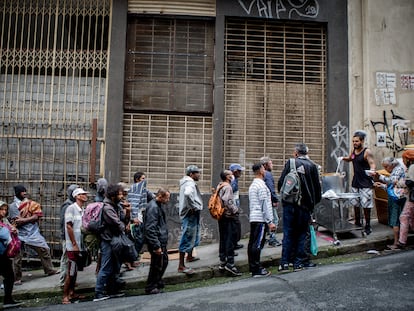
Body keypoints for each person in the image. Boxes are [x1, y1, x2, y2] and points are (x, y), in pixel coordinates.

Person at [277, 143, 321, 272]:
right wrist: (312, 205)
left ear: (296, 153)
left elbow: (281, 183)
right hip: (305, 206)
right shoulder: (312, 166)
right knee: (302, 234)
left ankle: (284, 263)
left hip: (289, 205)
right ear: (307, 153)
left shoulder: (290, 163)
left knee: (288, 233)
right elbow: (317, 189)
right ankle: (298, 263)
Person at [8, 185, 58, 283]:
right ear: (18, 193)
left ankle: (49, 270)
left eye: (25, 191)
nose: (25, 193)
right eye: (23, 192)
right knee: (17, 257)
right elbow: (10, 219)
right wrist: (14, 224)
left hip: (32, 232)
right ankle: (17, 278)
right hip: (18, 233)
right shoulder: (12, 206)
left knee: (44, 249)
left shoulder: (31, 204)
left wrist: (23, 220)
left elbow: (36, 217)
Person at [94, 184, 127, 302]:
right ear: (113, 196)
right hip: (107, 240)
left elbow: (123, 219)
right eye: (120, 194)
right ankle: (98, 293)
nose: (122, 195)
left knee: (115, 266)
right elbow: (118, 224)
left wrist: (126, 211)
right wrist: (124, 227)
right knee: (106, 266)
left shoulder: (116, 205)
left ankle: (111, 290)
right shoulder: (107, 208)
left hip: (115, 240)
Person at [339, 130, 376, 235]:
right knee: (355, 203)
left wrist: (372, 171)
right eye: (353, 141)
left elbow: (372, 164)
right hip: (356, 181)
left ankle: (368, 225)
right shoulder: (354, 150)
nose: (355, 143)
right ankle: (357, 222)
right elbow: (350, 158)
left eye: (357, 141)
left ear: (362, 141)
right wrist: (342, 158)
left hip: (365, 182)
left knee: (366, 205)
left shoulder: (367, 152)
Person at [247, 163, 275, 277]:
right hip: (260, 218)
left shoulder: (253, 185)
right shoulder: (262, 186)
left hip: (254, 217)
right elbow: (264, 204)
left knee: (252, 243)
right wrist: (270, 221)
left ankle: (253, 266)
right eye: (263, 169)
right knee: (258, 243)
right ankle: (256, 268)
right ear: (261, 171)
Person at [62, 188, 89, 304]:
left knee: (75, 271)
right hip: (73, 247)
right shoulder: (71, 208)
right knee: (71, 271)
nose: (85, 196)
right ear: (77, 196)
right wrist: (74, 244)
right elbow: (69, 226)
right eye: (82, 194)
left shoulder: (82, 209)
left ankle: (72, 293)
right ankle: (65, 296)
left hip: (80, 245)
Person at [374, 157, 406, 250]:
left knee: (395, 220)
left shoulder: (397, 169)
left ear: (391, 165)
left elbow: (392, 181)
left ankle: (396, 243)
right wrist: (382, 186)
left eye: (386, 167)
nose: (385, 169)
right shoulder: (399, 169)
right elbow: (393, 185)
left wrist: (380, 176)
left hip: (396, 198)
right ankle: (400, 241)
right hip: (399, 196)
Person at [144, 188, 171, 294]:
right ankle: (151, 286)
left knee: (163, 262)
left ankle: (157, 281)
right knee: (157, 264)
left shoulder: (157, 206)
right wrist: (156, 245)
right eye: (167, 198)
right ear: (160, 197)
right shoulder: (153, 207)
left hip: (159, 240)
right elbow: (150, 228)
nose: (168, 200)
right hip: (157, 241)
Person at [177, 165, 203, 274]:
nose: (199, 175)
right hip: (190, 214)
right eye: (197, 173)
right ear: (191, 174)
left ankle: (190, 256)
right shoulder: (189, 183)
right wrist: (192, 207)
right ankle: (181, 266)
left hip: (190, 213)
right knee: (187, 236)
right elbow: (188, 194)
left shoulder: (187, 182)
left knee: (192, 235)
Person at [217, 170, 242, 277]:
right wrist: (235, 210)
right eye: (230, 174)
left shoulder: (220, 185)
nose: (232, 176)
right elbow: (227, 200)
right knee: (230, 239)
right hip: (228, 216)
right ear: (227, 177)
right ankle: (230, 263)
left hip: (221, 215)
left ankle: (222, 261)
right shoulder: (227, 187)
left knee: (223, 238)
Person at [0, 201, 23, 308]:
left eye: (5, 209)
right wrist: (8, 231)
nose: (3, 212)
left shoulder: (4, 220)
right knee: (9, 276)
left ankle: (8, 299)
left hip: (3, 253)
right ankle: (7, 300)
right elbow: (4, 234)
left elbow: (11, 230)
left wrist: (13, 230)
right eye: (1, 209)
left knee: (9, 276)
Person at [128, 172, 154, 262]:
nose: (144, 180)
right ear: (137, 179)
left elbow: (151, 196)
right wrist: (134, 217)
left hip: (141, 215)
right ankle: (132, 259)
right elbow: (133, 203)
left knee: (140, 238)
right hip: (137, 216)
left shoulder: (143, 189)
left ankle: (134, 258)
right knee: (138, 239)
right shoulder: (135, 188)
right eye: (143, 178)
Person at [59, 184, 79, 287]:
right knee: (66, 259)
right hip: (67, 238)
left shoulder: (74, 204)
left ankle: (70, 281)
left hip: (72, 237)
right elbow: (64, 223)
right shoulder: (67, 205)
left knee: (71, 260)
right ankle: (63, 281)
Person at [260, 156, 282, 247]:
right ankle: (272, 239)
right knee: (274, 220)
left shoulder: (261, 174)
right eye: (271, 163)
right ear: (265, 165)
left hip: (263, 201)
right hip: (269, 202)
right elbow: (270, 188)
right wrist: (275, 199)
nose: (272, 165)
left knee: (265, 220)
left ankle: (263, 238)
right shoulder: (268, 174)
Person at [396, 149, 414, 248]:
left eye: (404, 159)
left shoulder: (412, 167)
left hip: (412, 198)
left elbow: (410, 182)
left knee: (404, 217)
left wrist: (400, 183)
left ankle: (402, 241)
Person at [229, 163, 245, 250]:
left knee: (236, 227)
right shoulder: (232, 180)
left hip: (234, 207)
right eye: (239, 171)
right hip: (233, 208)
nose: (240, 173)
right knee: (234, 227)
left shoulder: (234, 179)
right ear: (235, 171)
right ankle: (232, 245)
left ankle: (234, 243)